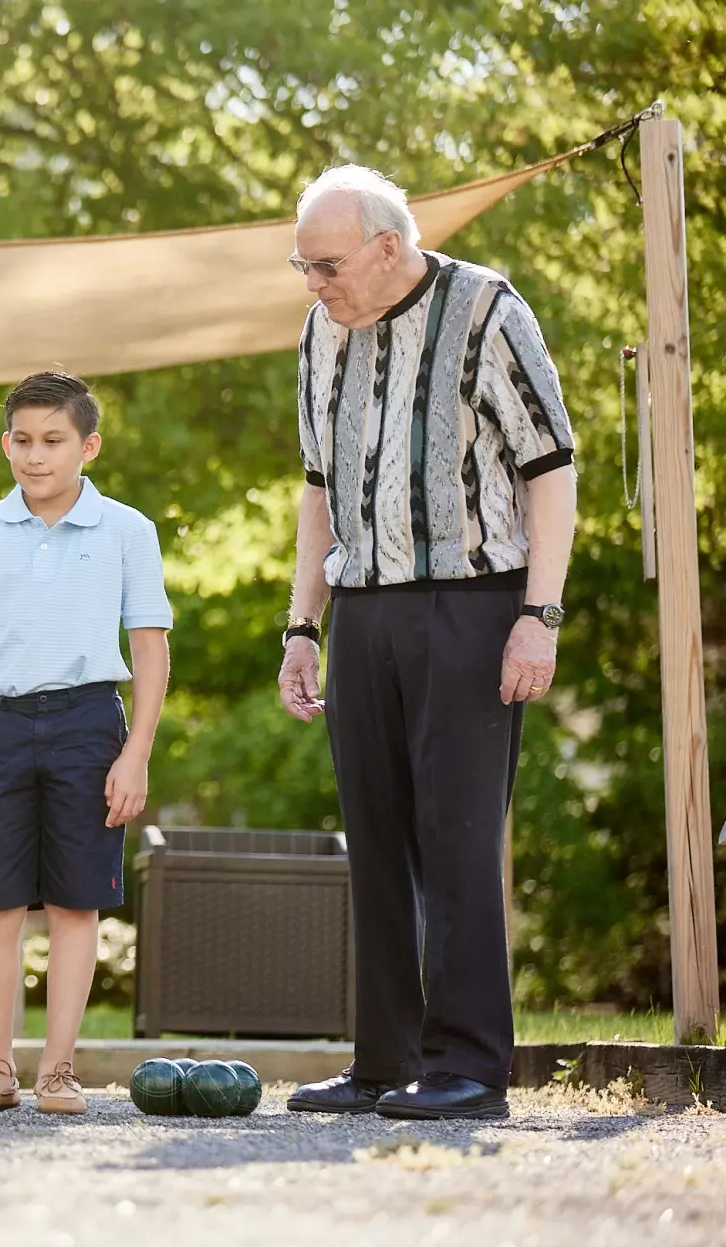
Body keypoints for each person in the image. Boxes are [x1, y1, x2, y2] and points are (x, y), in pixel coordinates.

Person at [278, 166, 576, 1121]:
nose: (313, 282)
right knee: (374, 840)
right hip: (362, 609)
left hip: (474, 603)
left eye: (325, 264)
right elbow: (318, 487)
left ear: (388, 247)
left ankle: (470, 1067)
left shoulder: (487, 309)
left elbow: (551, 469)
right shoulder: (321, 330)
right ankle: (381, 1063)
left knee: (456, 838)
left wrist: (540, 615)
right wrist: (302, 624)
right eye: (302, 265)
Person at [0, 373, 173, 1115]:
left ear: (88, 445)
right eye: (22, 440)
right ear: (5, 443)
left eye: (52, 441)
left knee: (76, 903)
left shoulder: (128, 531)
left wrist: (135, 751)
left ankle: (59, 1069)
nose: (34, 456)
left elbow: (151, 649)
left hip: (87, 726)